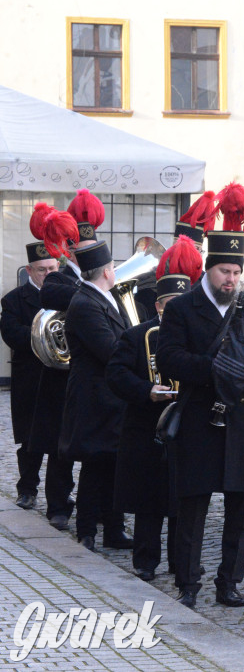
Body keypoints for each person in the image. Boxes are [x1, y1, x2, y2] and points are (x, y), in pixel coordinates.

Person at [156, 184, 244, 609]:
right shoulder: (182, 308)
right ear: (208, 271)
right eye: (224, 272)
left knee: (241, 510)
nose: (231, 279)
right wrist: (216, 366)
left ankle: (229, 582)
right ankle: (187, 583)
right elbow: (170, 359)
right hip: (200, 416)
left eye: (235, 272)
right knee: (192, 508)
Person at [107, 236, 202, 580]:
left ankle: (182, 561)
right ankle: (145, 561)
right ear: (159, 305)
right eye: (168, 304)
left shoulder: (198, 337)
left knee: (184, 501)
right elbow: (115, 375)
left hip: (187, 424)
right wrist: (147, 390)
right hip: (146, 426)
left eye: (181, 302)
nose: (173, 309)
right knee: (148, 502)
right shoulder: (137, 336)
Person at [59, 239, 132, 552]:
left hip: (110, 398)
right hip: (95, 399)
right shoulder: (86, 303)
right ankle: (87, 531)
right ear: (106, 270)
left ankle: (113, 530)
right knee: (95, 465)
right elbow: (110, 350)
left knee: (113, 465)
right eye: (113, 267)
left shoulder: (101, 297)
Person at [32, 207, 89, 531]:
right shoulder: (61, 277)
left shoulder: (104, 280)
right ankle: (58, 505)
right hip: (61, 379)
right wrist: (92, 293)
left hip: (92, 377)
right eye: (79, 250)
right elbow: (49, 292)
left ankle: (95, 510)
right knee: (59, 447)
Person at [1, 241, 58, 510]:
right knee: (29, 440)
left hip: (59, 378)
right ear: (29, 270)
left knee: (61, 441)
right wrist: (46, 335)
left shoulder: (67, 296)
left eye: (52, 268)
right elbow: (13, 335)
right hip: (30, 378)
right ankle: (27, 490)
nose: (47, 273)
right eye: (41, 270)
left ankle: (60, 495)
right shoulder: (13, 300)